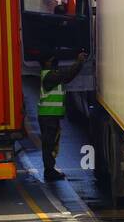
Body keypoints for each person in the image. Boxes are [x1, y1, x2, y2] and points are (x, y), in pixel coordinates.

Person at [37, 51, 87, 182]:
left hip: (50, 116)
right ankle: (49, 171)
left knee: (51, 143)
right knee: (48, 144)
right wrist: (79, 62)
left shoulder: (49, 75)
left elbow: (65, 76)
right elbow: (67, 75)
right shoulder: (49, 76)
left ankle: (50, 169)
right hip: (48, 116)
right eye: (52, 60)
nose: (54, 62)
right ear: (47, 63)